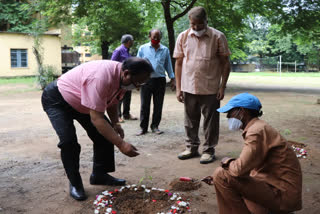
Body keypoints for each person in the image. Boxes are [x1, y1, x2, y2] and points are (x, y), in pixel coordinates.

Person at [41, 57, 153, 201]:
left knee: (106, 135)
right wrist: (121, 144)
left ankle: (99, 175)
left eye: (142, 83)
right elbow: (97, 119)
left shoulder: (123, 79)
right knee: (69, 142)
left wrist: (115, 123)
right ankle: (75, 184)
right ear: (126, 74)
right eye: (138, 82)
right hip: (58, 99)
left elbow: (113, 100)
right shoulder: (100, 78)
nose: (138, 87)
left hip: (83, 101)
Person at [202, 93, 302, 214]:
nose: (228, 116)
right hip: (278, 189)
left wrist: (227, 162)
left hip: (281, 195)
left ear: (242, 111)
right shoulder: (259, 127)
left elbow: (239, 169)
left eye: (230, 112)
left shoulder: (256, 131)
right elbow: (247, 166)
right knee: (225, 179)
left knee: (221, 174)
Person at [173, 6, 231, 164]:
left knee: (211, 121)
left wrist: (222, 86)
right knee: (190, 120)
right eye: (193, 24)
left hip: (210, 87)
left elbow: (225, 63)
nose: (197, 27)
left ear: (206, 21)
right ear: (190, 22)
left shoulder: (218, 36)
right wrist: (179, 88)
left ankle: (209, 150)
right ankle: (191, 147)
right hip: (189, 86)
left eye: (200, 24)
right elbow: (178, 63)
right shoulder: (183, 37)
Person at [136, 29, 175, 135]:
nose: (156, 39)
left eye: (158, 37)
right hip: (146, 80)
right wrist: (137, 80)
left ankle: (155, 126)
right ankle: (143, 128)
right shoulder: (143, 48)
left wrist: (172, 78)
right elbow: (137, 65)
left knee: (158, 105)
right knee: (145, 105)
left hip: (160, 80)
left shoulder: (165, 50)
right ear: (149, 37)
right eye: (154, 37)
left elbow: (168, 65)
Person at [111, 34, 137, 122]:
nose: (133, 42)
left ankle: (126, 114)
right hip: (120, 77)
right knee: (119, 96)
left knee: (128, 96)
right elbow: (112, 63)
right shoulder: (118, 50)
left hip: (128, 77)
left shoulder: (127, 50)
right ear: (129, 41)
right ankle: (118, 115)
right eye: (132, 41)